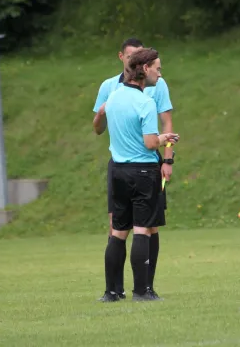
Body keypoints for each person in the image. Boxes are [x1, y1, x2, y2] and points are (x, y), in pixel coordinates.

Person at [92, 38, 175, 300]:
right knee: (142, 230)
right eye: (157, 69)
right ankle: (142, 291)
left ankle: (111, 292)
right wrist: (167, 139)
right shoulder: (145, 103)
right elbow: (151, 143)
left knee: (118, 232)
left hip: (117, 171)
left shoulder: (113, 97)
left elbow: (101, 124)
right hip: (142, 172)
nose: (159, 75)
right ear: (145, 69)